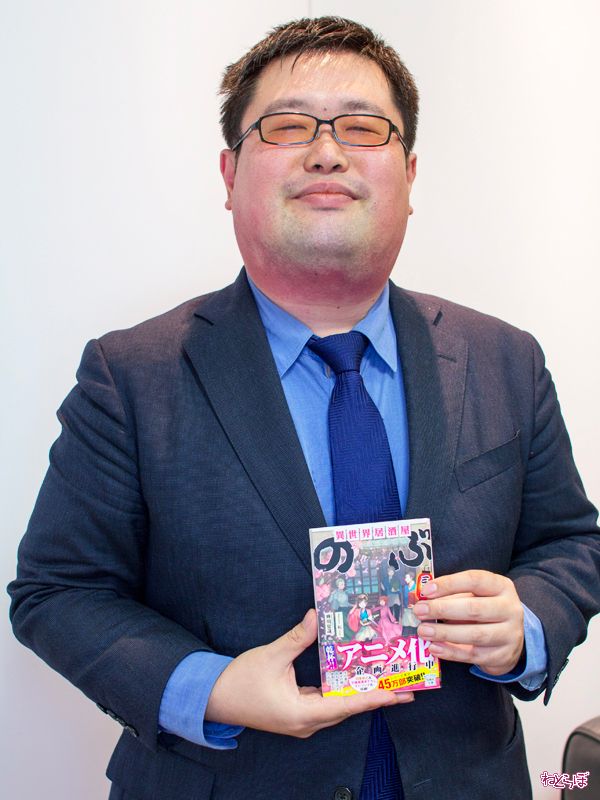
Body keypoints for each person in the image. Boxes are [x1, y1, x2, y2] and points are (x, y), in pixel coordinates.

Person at [7, 15, 600, 800]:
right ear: (229, 175)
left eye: (362, 127)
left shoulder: (505, 359)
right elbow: (56, 591)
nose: (327, 151)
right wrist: (209, 687)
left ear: (410, 176)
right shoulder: (130, 376)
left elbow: (570, 543)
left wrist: (528, 622)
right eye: (288, 126)